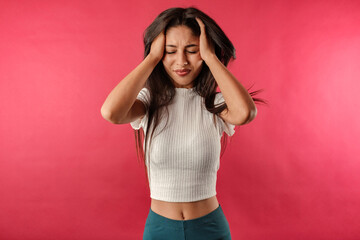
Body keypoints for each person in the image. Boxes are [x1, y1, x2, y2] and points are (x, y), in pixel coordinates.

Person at [101, 7, 266, 240]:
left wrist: (210, 57)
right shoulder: (149, 102)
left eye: (192, 50)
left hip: (210, 227)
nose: (181, 61)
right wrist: (151, 58)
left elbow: (245, 113)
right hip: (160, 229)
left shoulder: (215, 104)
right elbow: (111, 112)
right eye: (170, 50)